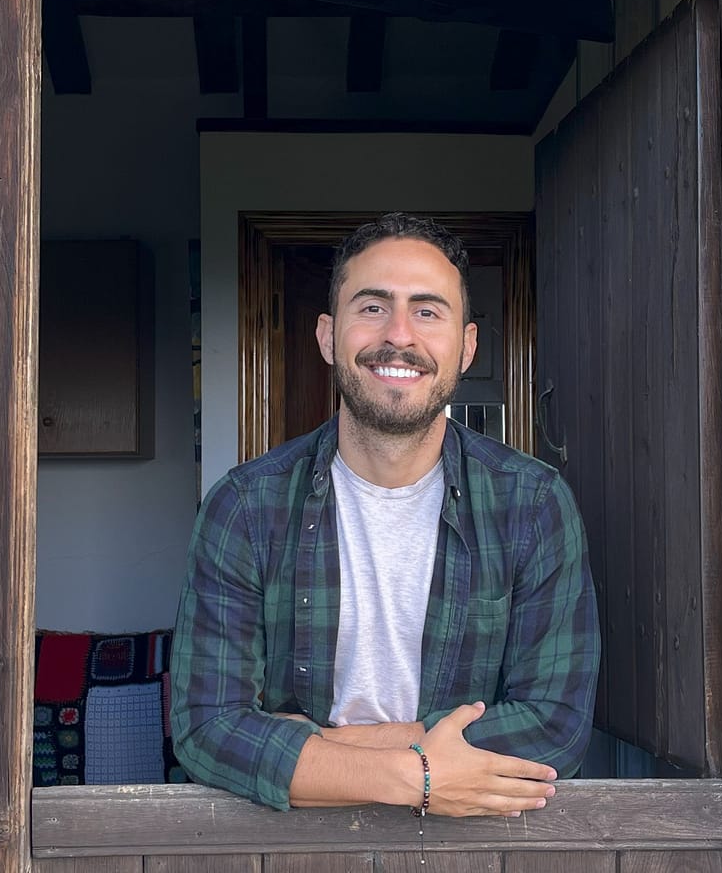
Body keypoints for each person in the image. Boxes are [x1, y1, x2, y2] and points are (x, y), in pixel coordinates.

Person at [171, 213, 599, 817]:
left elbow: (556, 728)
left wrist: (326, 749)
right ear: (327, 335)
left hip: (475, 854)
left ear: (468, 345)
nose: (399, 335)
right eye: (372, 307)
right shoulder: (244, 507)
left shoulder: (532, 505)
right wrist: (417, 775)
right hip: (291, 852)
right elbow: (207, 729)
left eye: (427, 311)